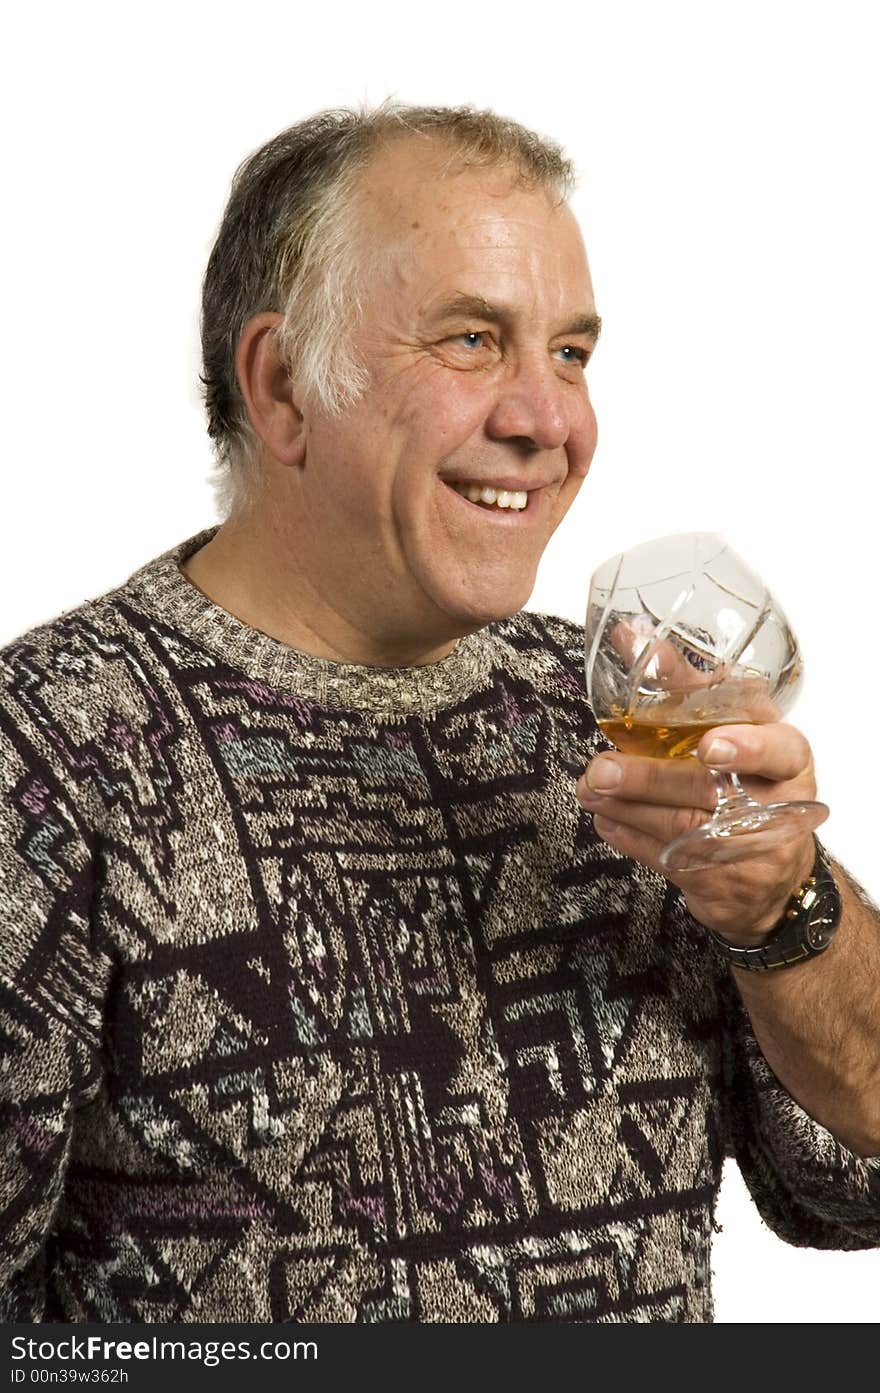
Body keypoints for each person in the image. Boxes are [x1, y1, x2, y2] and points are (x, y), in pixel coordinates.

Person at [1, 101, 877, 1325]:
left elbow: (854, 1176)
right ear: (283, 385)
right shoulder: (47, 756)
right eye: (473, 341)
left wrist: (783, 908)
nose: (547, 421)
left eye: (570, 353)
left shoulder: (618, 716)